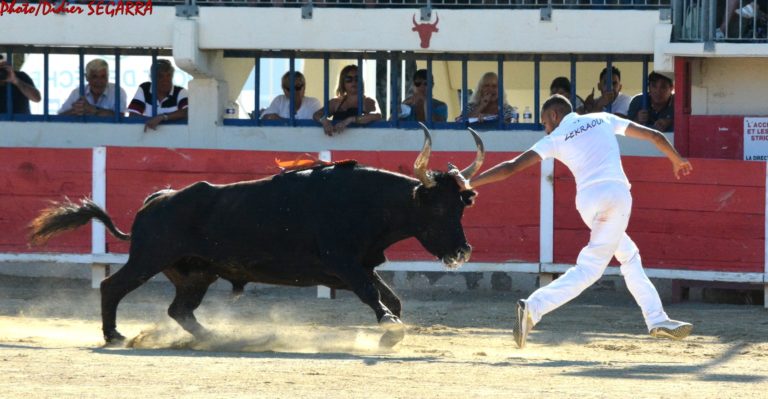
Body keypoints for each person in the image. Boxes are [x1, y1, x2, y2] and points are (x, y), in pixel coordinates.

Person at [470, 94, 694, 349]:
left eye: (544, 122)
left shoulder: (554, 138)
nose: (544, 127)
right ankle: (533, 308)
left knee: (629, 255)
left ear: (555, 116)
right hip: (615, 196)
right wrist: (676, 159)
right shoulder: (602, 118)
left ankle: (657, 319)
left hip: (588, 202)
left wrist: (469, 183)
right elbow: (654, 135)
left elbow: (510, 167)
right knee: (590, 269)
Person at [313, 64, 381, 136]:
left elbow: (376, 116)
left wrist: (351, 120)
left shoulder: (368, 101)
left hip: (361, 142)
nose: (353, 82)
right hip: (337, 143)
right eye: (349, 79)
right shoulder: (336, 102)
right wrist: (324, 121)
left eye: (357, 79)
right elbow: (316, 115)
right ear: (343, 83)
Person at [128, 59, 188, 132]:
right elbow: (133, 114)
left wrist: (162, 117)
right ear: (152, 78)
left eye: (168, 75)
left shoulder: (179, 91)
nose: (165, 80)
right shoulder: (145, 88)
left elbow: (186, 112)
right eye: (160, 76)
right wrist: (152, 121)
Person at [59, 58, 127, 117]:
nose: (99, 81)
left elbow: (121, 117)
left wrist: (93, 110)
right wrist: (74, 111)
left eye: (103, 77)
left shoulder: (117, 92)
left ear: (108, 77)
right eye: (95, 77)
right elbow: (59, 117)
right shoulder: (77, 92)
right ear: (87, 77)